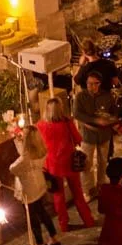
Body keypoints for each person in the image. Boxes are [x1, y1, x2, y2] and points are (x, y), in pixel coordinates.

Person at [38, 97, 94, 230]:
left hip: (52, 164)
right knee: (77, 193)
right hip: (70, 162)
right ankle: (88, 220)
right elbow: (78, 139)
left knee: (58, 195)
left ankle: (63, 224)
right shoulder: (67, 122)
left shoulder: (41, 125)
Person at [12, 125, 63, 245]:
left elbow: (12, 168)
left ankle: (39, 244)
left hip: (28, 191)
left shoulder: (24, 159)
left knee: (33, 218)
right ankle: (54, 237)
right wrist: (18, 142)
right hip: (39, 187)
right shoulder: (40, 152)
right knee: (43, 213)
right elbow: (25, 155)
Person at [73, 73, 118, 190]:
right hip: (88, 136)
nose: (92, 86)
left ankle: (101, 185)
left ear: (100, 83)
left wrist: (111, 120)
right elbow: (77, 114)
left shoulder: (107, 96)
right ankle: (88, 189)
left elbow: (115, 113)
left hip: (104, 135)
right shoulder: (81, 97)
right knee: (87, 164)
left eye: (95, 83)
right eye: (89, 84)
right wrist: (95, 120)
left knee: (103, 162)